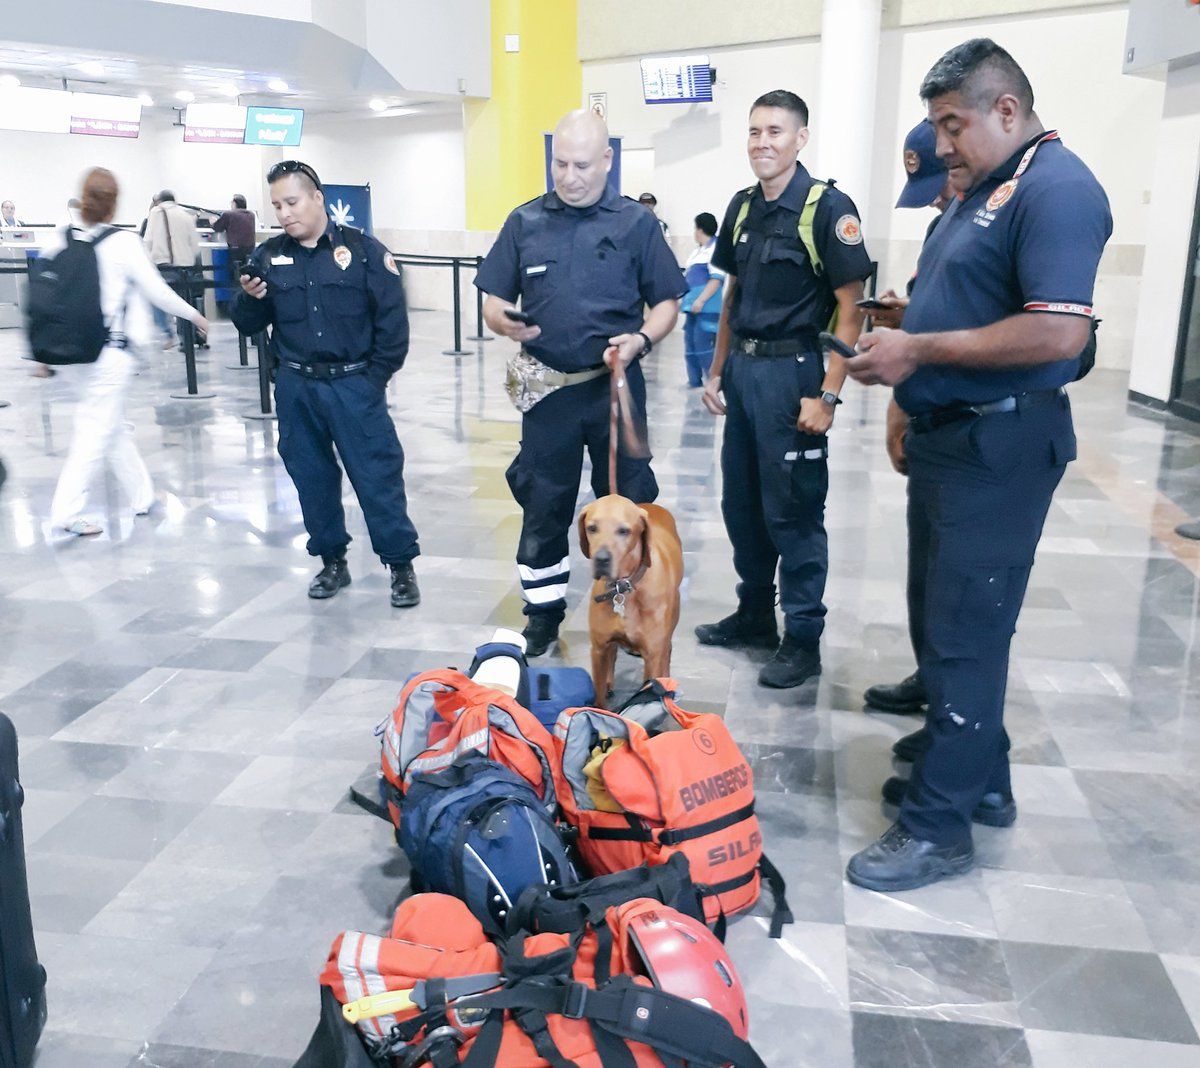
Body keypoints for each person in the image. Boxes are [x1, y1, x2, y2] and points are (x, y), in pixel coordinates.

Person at [842, 39, 1112, 892]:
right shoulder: (984, 189)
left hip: (1001, 446)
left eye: (953, 125)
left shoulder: (1058, 190)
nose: (943, 145)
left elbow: (1059, 332)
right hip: (950, 438)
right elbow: (950, 300)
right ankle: (978, 777)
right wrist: (905, 354)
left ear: (1006, 109)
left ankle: (938, 827)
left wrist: (918, 347)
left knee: (967, 636)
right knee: (941, 619)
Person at [475, 109, 685, 657]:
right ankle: (542, 616)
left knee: (632, 502)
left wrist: (640, 339)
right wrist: (501, 319)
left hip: (614, 387)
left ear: (608, 162)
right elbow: (494, 299)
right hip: (548, 393)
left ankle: (637, 601)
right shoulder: (524, 223)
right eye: (560, 164)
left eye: (583, 165)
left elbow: (667, 303)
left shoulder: (636, 225)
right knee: (544, 504)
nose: (570, 176)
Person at [694, 89, 872, 688]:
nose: (761, 142)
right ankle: (753, 616)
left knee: (793, 510)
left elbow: (853, 309)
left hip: (794, 375)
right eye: (753, 132)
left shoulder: (827, 209)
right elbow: (732, 297)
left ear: (801, 138)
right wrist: (716, 371)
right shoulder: (742, 207)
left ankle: (802, 637)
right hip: (744, 375)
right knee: (741, 505)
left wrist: (827, 394)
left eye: (774, 131)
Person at [230, 160, 421, 607]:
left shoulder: (366, 252)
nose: (285, 213)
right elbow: (248, 324)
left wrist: (372, 380)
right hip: (297, 388)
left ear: (317, 198)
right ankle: (332, 561)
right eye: (277, 205)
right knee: (311, 479)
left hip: (354, 385)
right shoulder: (269, 257)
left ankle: (400, 566)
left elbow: (393, 326)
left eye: (292, 202)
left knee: (377, 477)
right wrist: (249, 300)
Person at [47, 167, 209, 536]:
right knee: (94, 430)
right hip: (109, 354)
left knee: (110, 425)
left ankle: (142, 496)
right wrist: (193, 314)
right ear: (114, 204)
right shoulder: (122, 243)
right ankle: (66, 512)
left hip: (72, 353)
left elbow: (45, 295)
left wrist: (42, 356)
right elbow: (157, 291)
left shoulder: (61, 237)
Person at [860, 118, 953, 719]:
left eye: (944, 182)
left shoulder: (1002, 220)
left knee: (959, 593)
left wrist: (914, 340)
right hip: (931, 425)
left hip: (980, 434)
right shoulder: (947, 226)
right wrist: (905, 314)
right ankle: (932, 680)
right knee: (927, 580)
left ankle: (958, 718)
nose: (939, 197)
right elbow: (935, 318)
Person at [143, 190, 201, 349]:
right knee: (183, 303)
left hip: (164, 267)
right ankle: (188, 338)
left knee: (156, 298)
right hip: (185, 268)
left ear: (160, 201)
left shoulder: (156, 212)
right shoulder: (187, 216)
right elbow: (195, 247)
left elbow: (148, 241)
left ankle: (167, 333)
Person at [681, 212, 725, 388]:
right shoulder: (697, 252)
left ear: (700, 229)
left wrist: (701, 300)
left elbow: (716, 279)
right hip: (692, 305)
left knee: (703, 345)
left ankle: (712, 382)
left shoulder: (715, 249)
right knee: (690, 344)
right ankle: (694, 381)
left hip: (707, 305)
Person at [210, 194, 257, 262]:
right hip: (250, 249)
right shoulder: (251, 215)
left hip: (235, 249)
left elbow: (218, 228)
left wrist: (212, 223)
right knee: (245, 269)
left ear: (234, 203)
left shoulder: (229, 214)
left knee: (234, 269)